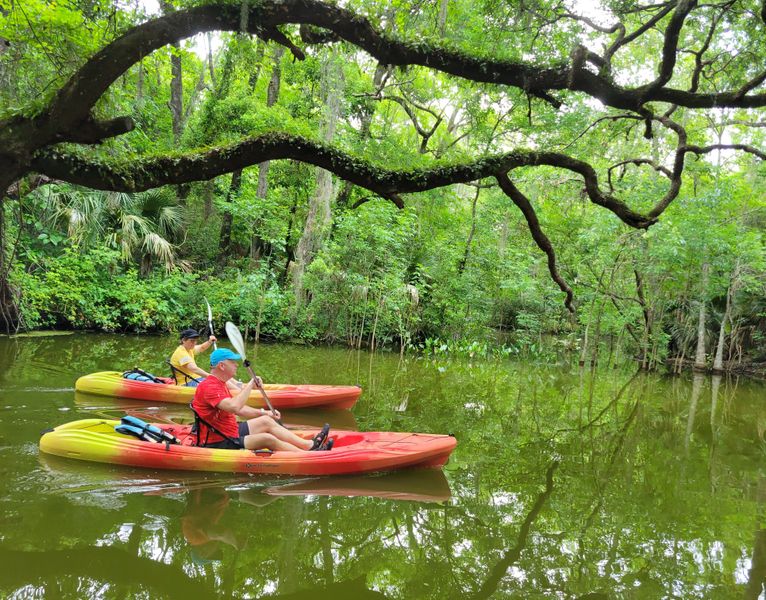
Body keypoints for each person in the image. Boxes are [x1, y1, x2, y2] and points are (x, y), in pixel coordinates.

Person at [191, 348, 332, 452]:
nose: (236, 365)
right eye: (233, 362)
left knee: (266, 421)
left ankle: (309, 445)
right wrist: (251, 385)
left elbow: (240, 409)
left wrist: (264, 413)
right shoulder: (209, 386)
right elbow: (234, 407)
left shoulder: (219, 383)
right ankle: (308, 456)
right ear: (222, 366)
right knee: (267, 439)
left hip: (229, 430)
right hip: (219, 440)